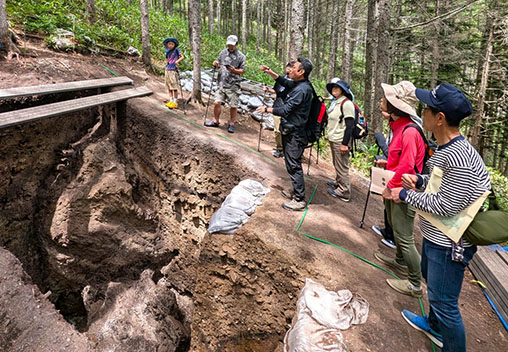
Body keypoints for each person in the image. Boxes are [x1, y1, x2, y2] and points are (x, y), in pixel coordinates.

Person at [390, 84, 491, 352]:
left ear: (439, 118)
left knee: (445, 303)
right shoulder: (447, 149)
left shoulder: (459, 156)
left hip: (449, 245)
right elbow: (442, 186)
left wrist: (404, 195)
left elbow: (446, 205)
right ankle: (434, 326)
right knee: (433, 286)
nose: (421, 112)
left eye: (426, 108)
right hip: (437, 237)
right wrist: (420, 180)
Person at [373, 81, 426, 298]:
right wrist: (387, 164)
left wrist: (392, 189)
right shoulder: (399, 127)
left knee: (404, 236)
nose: (382, 101)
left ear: (396, 106)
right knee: (394, 226)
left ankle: (415, 284)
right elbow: (399, 159)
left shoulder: (410, 131)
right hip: (394, 182)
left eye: (386, 98)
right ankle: (400, 261)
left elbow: (408, 166)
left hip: (404, 190)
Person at [256, 58, 314, 211]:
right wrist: (272, 74)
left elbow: (286, 109)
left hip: (296, 133)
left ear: (301, 72)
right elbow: (286, 82)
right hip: (291, 130)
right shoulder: (299, 84)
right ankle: (296, 192)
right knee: (290, 163)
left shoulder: (302, 90)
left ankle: (299, 200)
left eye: (293, 68)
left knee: (294, 165)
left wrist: (267, 109)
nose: (289, 70)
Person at [204, 35, 246, 134]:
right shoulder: (223, 52)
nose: (230, 47)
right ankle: (215, 121)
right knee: (217, 102)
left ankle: (231, 123)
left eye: (232, 45)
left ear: (236, 44)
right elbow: (218, 62)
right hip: (221, 82)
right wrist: (216, 63)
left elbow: (243, 71)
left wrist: (234, 70)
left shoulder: (241, 56)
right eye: (229, 45)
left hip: (233, 84)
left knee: (233, 105)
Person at [324, 78, 355, 202]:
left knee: (342, 165)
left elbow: (350, 125)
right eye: (333, 88)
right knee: (337, 163)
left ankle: (344, 191)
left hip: (340, 140)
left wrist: (344, 144)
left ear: (343, 90)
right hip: (334, 138)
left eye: (337, 88)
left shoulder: (346, 103)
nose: (334, 90)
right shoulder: (336, 102)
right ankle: (339, 182)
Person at [264, 62, 294, 158]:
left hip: (287, 108)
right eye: (288, 68)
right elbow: (276, 90)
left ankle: (287, 150)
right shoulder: (282, 79)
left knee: (286, 130)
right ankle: (279, 148)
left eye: (291, 68)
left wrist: (270, 72)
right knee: (277, 130)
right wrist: (268, 90)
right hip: (277, 106)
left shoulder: (294, 82)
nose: (288, 70)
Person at [163, 38, 184, 109]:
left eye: (172, 44)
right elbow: (168, 60)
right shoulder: (167, 51)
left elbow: (182, 57)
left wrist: (177, 62)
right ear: (167, 45)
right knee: (169, 86)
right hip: (167, 69)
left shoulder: (176, 50)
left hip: (173, 70)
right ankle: (171, 100)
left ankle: (175, 102)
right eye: (169, 44)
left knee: (174, 86)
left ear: (174, 45)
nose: (170, 45)